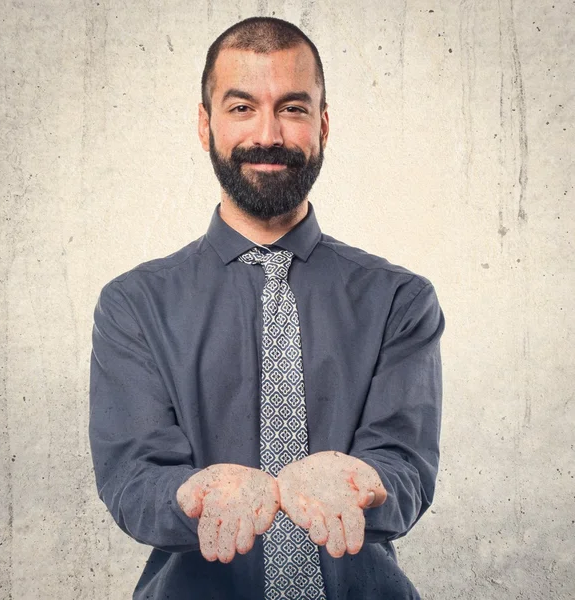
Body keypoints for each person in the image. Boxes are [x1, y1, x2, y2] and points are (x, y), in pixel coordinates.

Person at [89, 16, 445, 600]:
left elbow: (406, 468)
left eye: (294, 108)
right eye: (241, 108)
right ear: (205, 125)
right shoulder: (134, 305)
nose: (269, 134)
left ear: (323, 125)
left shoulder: (400, 300)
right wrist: (194, 495)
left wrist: (366, 483)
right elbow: (133, 479)